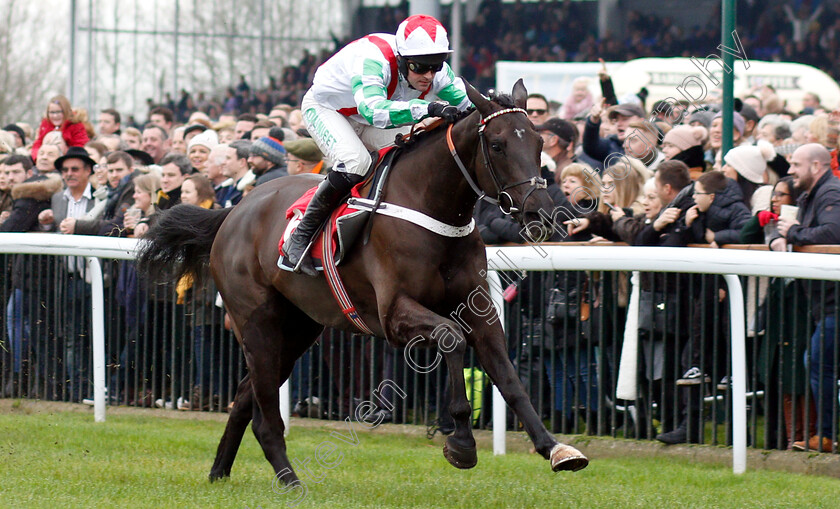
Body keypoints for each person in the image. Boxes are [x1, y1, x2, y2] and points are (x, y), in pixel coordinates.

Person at [285, 14, 471, 276]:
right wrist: (427, 107)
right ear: (402, 59)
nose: (429, 75)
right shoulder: (373, 58)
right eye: (420, 67)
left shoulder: (435, 72)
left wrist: (498, 105)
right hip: (330, 110)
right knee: (356, 162)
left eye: (436, 66)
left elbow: (469, 103)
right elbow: (373, 110)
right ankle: (301, 235)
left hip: (368, 115)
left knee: (420, 144)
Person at [769, 143, 840, 452]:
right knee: (818, 361)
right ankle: (826, 434)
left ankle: (827, 435)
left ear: (815, 165)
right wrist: (777, 237)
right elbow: (778, 229)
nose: (790, 171)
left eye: (796, 164)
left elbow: (832, 234)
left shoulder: (830, 194)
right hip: (823, 301)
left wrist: (794, 232)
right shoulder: (810, 195)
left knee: (817, 360)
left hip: (833, 301)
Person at [30, 95, 90, 162]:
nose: (55, 116)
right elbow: (38, 143)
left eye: (59, 112)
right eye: (52, 112)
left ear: (66, 111)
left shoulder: (76, 126)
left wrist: (63, 154)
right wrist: (37, 157)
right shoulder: (45, 125)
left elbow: (80, 148)